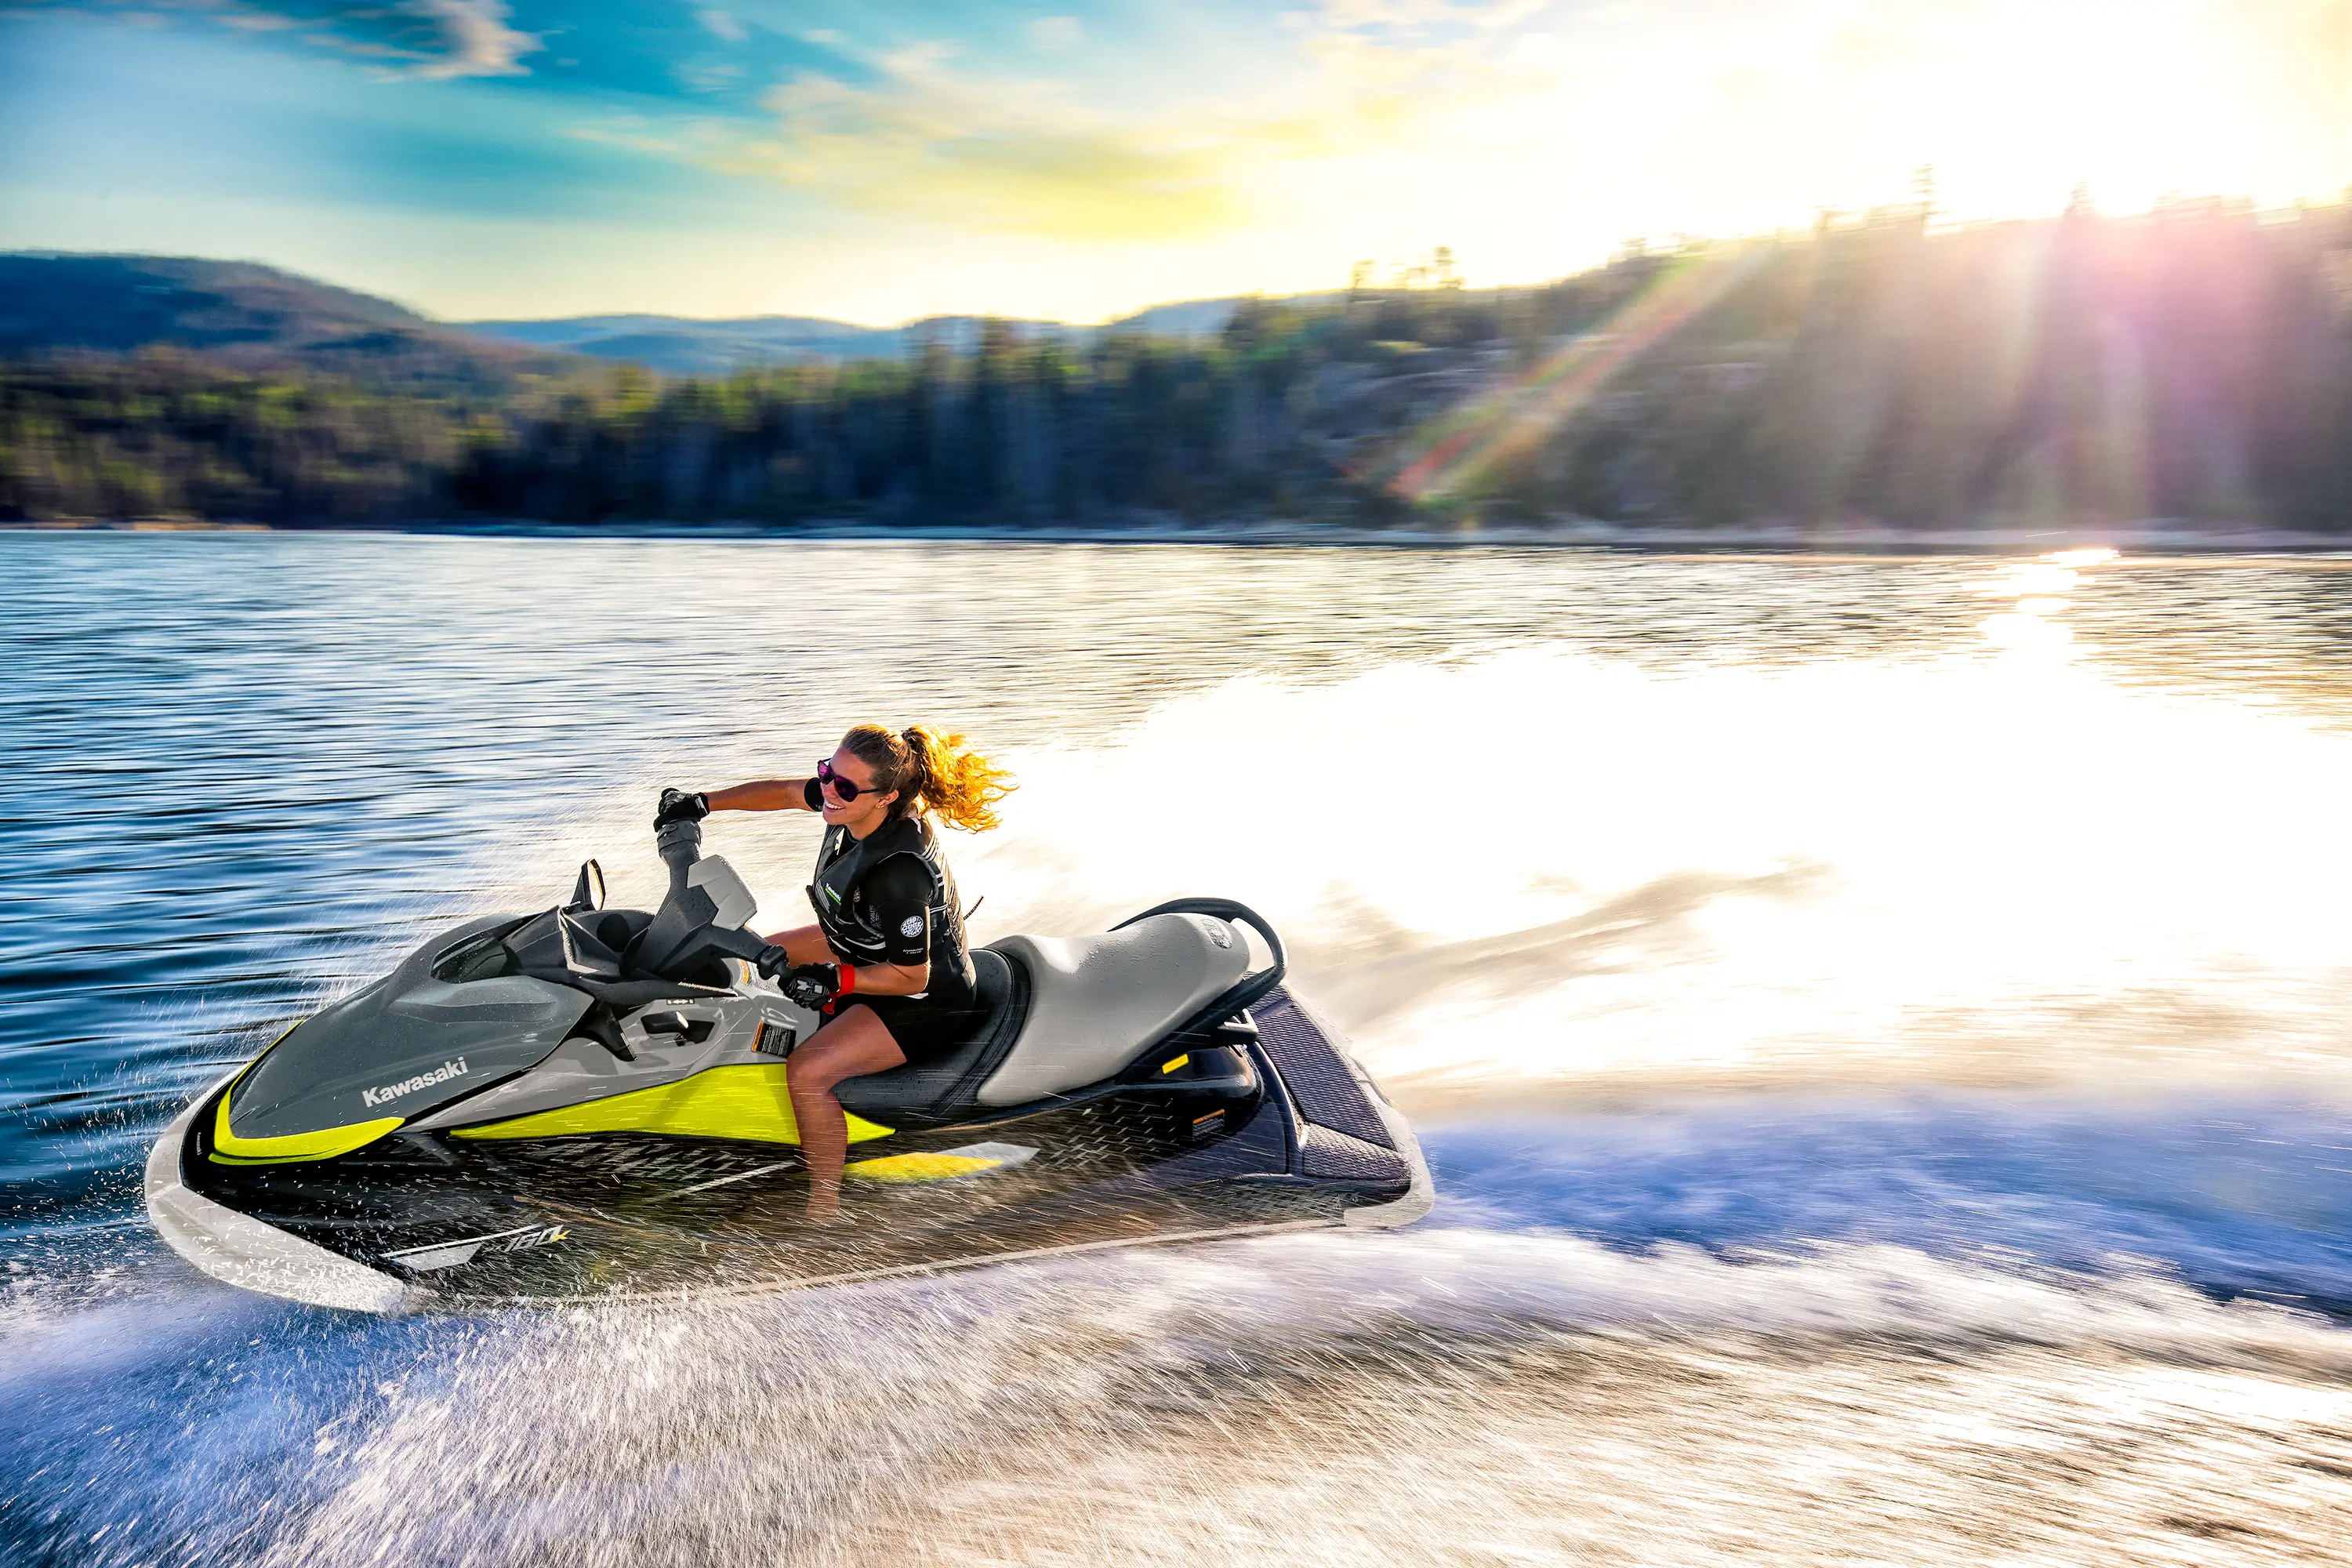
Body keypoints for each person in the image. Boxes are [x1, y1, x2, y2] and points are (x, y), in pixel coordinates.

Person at [654, 724, 1013, 1222]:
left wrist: (835, 980)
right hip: (859, 941)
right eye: (828, 773)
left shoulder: (898, 873)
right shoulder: (844, 801)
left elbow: (912, 978)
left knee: (806, 1073)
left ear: (886, 796)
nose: (827, 790)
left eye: (843, 786)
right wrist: (700, 803)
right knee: (743, 960)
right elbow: (781, 793)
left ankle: (824, 1211)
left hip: (925, 999)